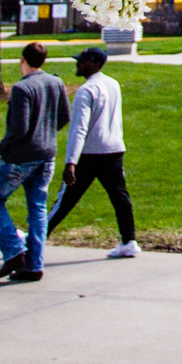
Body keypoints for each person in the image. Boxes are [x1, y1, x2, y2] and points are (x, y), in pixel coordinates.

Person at [0, 41, 68, 283]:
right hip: (47, 155)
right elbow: (64, 116)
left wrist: (4, 147)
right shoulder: (56, 82)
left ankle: (14, 252)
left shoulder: (22, 88)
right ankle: (35, 265)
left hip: (21, 157)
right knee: (38, 208)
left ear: (23, 60)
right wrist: (46, 134)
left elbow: (19, 128)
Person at [48, 46, 139, 258]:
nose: (77, 64)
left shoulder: (86, 91)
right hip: (114, 150)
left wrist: (71, 162)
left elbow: (79, 129)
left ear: (94, 64)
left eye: (81, 61)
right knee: (120, 197)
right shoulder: (113, 84)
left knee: (65, 200)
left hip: (90, 154)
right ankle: (129, 240)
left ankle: (36, 238)